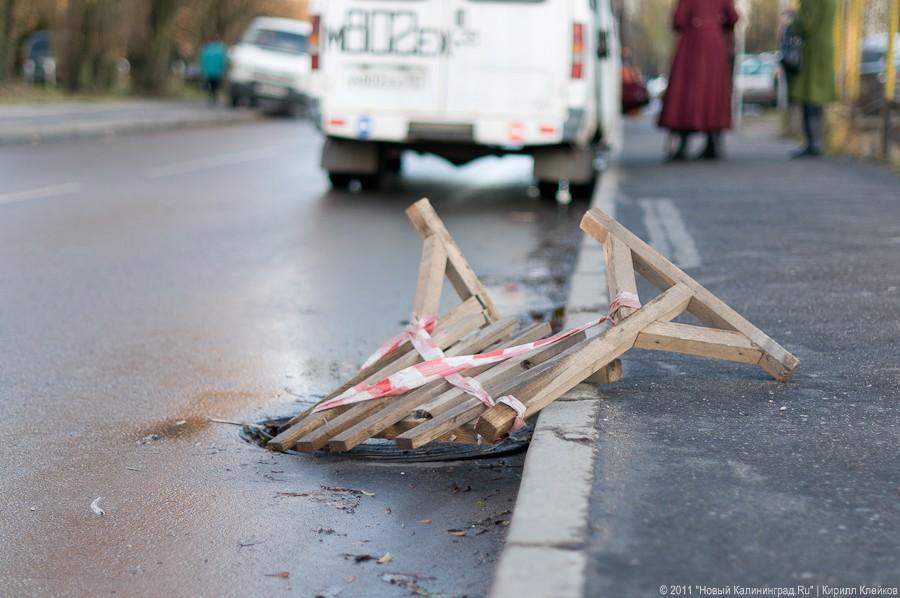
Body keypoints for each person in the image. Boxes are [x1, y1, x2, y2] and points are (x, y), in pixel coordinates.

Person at [658, 0, 739, 161]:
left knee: (687, 91)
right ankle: (713, 142)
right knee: (713, 90)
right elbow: (733, 17)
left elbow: (679, 20)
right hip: (715, 43)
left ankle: (683, 145)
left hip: (692, 44)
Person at [788, 0, 837, 158]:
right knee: (817, 96)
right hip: (826, 47)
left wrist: (791, 26)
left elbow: (807, 24)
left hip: (812, 51)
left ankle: (813, 144)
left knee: (809, 95)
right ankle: (817, 142)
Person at [199, 39, 228, 105]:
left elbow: (203, 61)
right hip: (217, 72)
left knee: (210, 85)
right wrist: (222, 70)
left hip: (209, 72)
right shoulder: (220, 50)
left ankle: (211, 96)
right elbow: (222, 62)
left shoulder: (206, 50)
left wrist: (203, 70)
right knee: (215, 85)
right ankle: (214, 96)